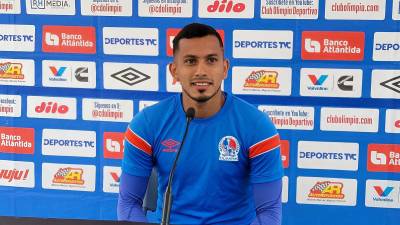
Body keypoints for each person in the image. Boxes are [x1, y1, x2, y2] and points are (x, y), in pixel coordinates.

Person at [118, 23, 283, 225]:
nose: (201, 71)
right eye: (190, 61)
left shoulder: (258, 127)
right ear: (174, 71)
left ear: (224, 68)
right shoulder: (146, 124)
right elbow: (128, 205)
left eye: (211, 60)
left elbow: (269, 212)